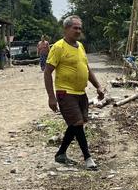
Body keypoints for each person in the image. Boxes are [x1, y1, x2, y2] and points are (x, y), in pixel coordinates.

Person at [44, 15, 104, 169]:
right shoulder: (58, 47)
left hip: (80, 92)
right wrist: (51, 97)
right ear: (66, 29)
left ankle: (61, 153)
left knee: (76, 124)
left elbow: (87, 68)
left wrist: (98, 86)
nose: (78, 31)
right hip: (65, 92)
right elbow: (47, 72)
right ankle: (88, 158)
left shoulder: (81, 46)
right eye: (75, 28)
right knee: (77, 123)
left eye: (79, 28)